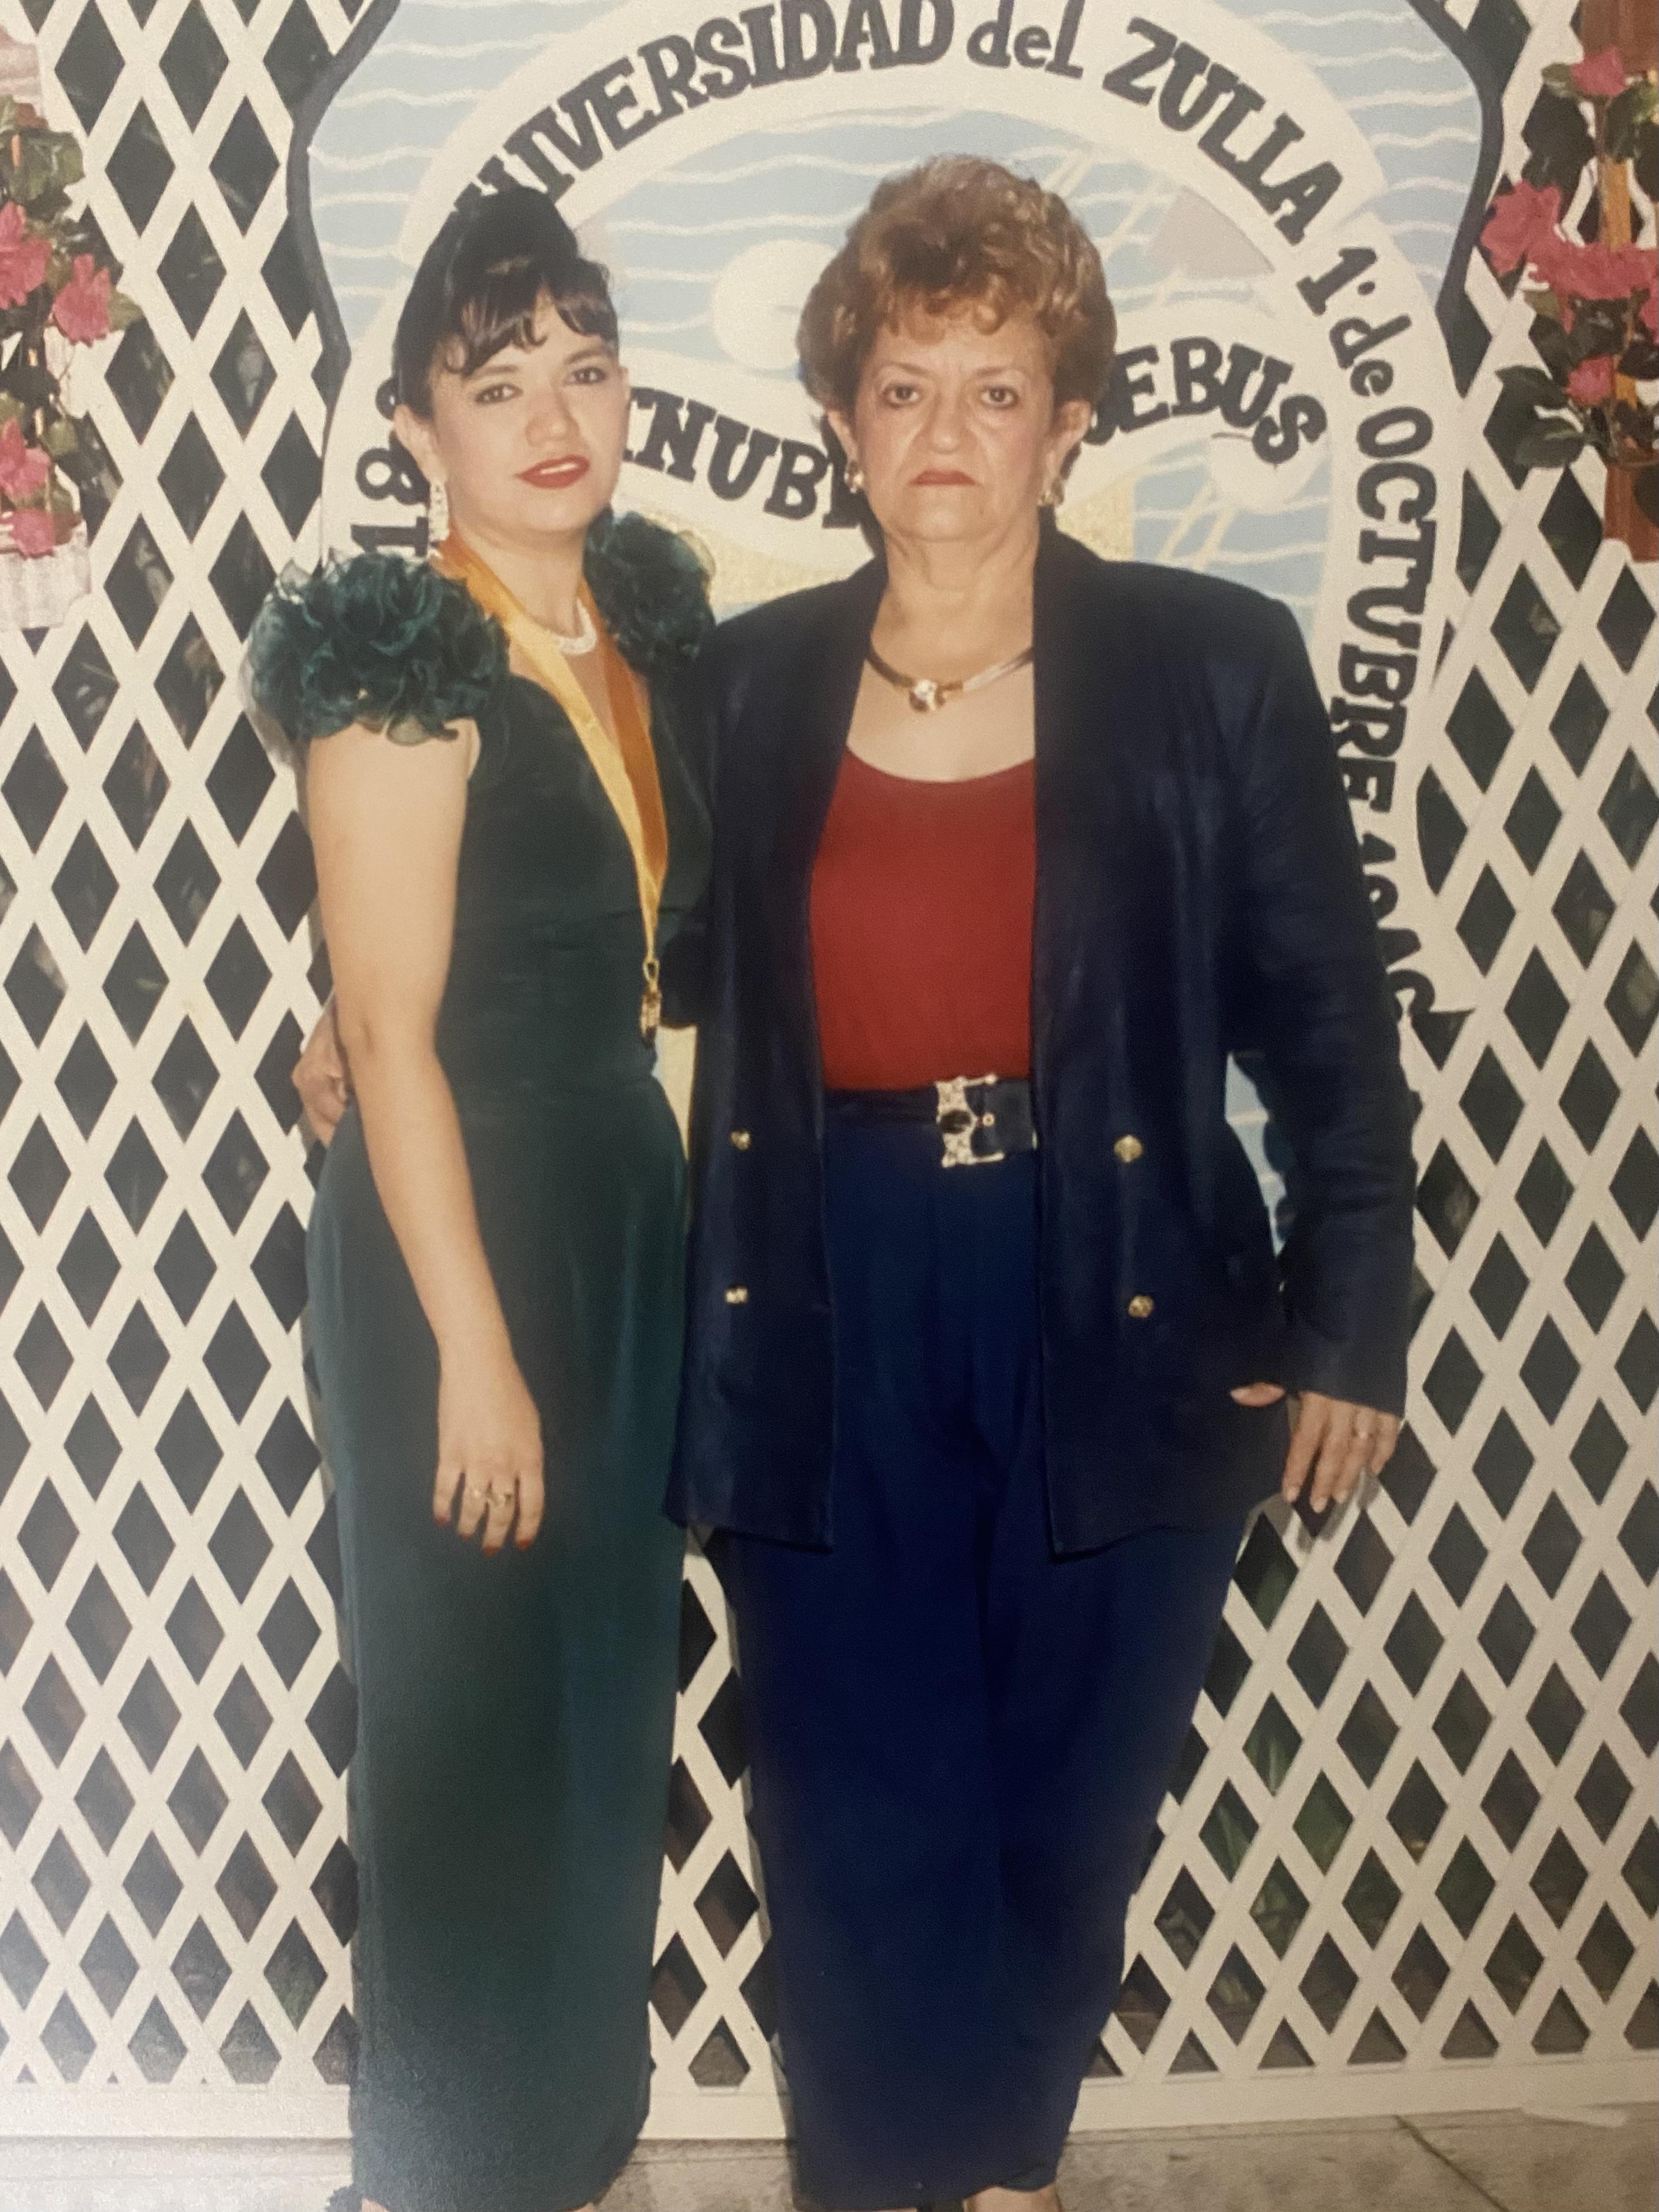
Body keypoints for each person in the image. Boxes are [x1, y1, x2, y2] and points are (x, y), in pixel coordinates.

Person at [669, 156, 1416, 2212]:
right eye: (905, 387)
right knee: (850, 1787)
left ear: (1069, 422)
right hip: (827, 1278)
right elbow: (642, 986)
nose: (945, 437)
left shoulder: (1212, 665)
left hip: (1130, 1281)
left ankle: (991, 2175)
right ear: (840, 420)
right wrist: (384, 1036)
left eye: (995, 391)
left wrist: (1349, 1313)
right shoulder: (742, 690)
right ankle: (901, 2185)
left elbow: (1327, 1024)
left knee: (1068, 1792)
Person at [249, 187, 710, 2212]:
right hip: (464, 1234)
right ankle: (431, 2177)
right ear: (418, 425)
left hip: (616, 1207)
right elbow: (395, 1028)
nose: (552, 416)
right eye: (494, 380)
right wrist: (475, 1358)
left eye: (585, 369)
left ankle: (558, 2153)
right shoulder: (396, 646)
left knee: (604, 1709)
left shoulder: (649, 632)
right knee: (462, 1736)